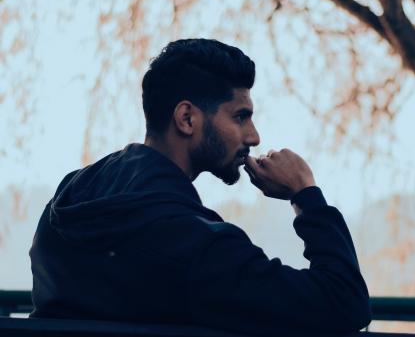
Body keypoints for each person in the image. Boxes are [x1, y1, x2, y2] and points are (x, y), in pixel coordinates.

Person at [29, 39, 372, 335]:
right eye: (240, 116)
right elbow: (343, 302)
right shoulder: (196, 248)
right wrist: (305, 194)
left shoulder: (67, 199)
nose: (254, 136)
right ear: (187, 119)